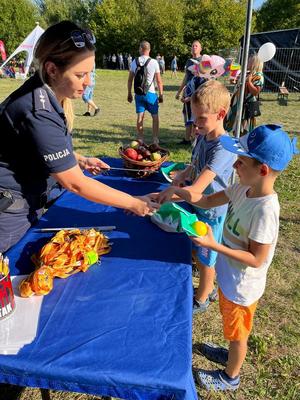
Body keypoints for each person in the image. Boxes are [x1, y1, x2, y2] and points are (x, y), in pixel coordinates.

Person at [159, 124, 299, 391]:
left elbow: (257, 259)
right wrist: (177, 192)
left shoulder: (265, 211)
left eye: (241, 162)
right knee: (232, 328)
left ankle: (230, 376)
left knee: (238, 334)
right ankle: (231, 352)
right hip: (229, 278)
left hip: (242, 288)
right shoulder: (242, 189)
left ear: (263, 170)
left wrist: (214, 245)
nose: (234, 166)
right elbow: (206, 201)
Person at [0, 21, 157, 254]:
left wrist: (79, 159)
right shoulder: (37, 110)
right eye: (80, 74)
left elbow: (34, 146)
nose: (89, 82)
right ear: (52, 69)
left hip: (30, 200)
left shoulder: (46, 93)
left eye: (90, 73)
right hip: (11, 213)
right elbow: (75, 183)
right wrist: (134, 203)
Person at [154, 81, 235, 313]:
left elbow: (198, 189)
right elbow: (195, 164)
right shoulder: (203, 135)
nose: (195, 124)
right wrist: (182, 175)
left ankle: (202, 296)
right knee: (196, 245)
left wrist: (174, 192)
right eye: (194, 117)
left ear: (221, 114)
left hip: (211, 212)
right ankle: (198, 263)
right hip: (197, 205)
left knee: (207, 256)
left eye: (201, 119)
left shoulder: (224, 149)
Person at [127, 41, 163, 145]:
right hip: (151, 93)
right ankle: (155, 139)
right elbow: (159, 81)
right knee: (155, 116)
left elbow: (130, 80)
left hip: (138, 93)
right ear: (149, 50)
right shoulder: (154, 62)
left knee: (140, 116)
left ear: (140, 49)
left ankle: (140, 139)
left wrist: (129, 93)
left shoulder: (135, 61)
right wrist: (161, 95)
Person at [225, 54, 264, 136]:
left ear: (255, 63)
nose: (247, 63)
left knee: (244, 128)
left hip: (246, 106)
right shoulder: (246, 73)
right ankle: (237, 142)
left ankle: (242, 145)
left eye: (249, 61)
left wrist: (249, 82)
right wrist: (235, 82)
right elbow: (240, 85)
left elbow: (255, 92)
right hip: (237, 103)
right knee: (235, 126)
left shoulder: (258, 76)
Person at [176, 40, 202, 145]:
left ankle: (195, 139)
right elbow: (186, 77)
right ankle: (187, 139)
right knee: (187, 114)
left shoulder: (203, 60)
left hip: (198, 91)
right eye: (192, 46)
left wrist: (193, 96)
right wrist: (180, 92)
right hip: (188, 90)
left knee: (195, 115)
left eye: (196, 46)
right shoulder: (189, 61)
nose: (194, 47)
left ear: (200, 48)